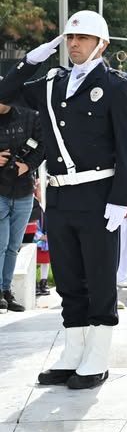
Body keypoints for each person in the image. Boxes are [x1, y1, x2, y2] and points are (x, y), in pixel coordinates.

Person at [0, 11, 127, 389]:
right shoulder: (51, 83)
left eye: (82, 38)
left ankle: (97, 355)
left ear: (101, 44)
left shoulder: (115, 86)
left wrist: (120, 201)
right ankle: (73, 352)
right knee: (68, 280)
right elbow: (4, 95)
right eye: (69, 39)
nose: (74, 44)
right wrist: (31, 59)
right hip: (60, 196)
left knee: (98, 278)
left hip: (98, 196)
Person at [0, 100, 44, 313]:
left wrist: (27, 165)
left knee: (13, 246)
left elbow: (43, 145)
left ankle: (6, 290)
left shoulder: (29, 115)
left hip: (24, 190)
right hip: (0, 192)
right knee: (0, 243)